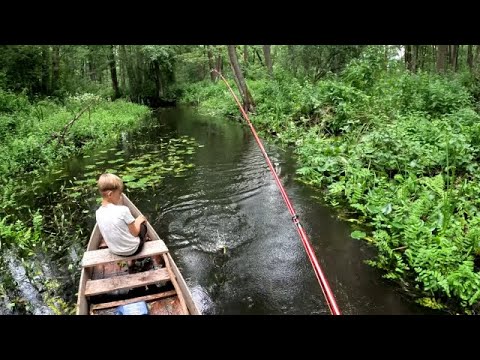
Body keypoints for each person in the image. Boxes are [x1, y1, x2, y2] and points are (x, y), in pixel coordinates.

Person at [95, 173, 160, 271]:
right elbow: (135, 233)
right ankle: (135, 260)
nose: (120, 196)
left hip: (114, 250)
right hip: (132, 250)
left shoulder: (98, 212)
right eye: (119, 194)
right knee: (143, 224)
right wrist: (138, 221)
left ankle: (129, 262)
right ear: (110, 194)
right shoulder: (123, 210)